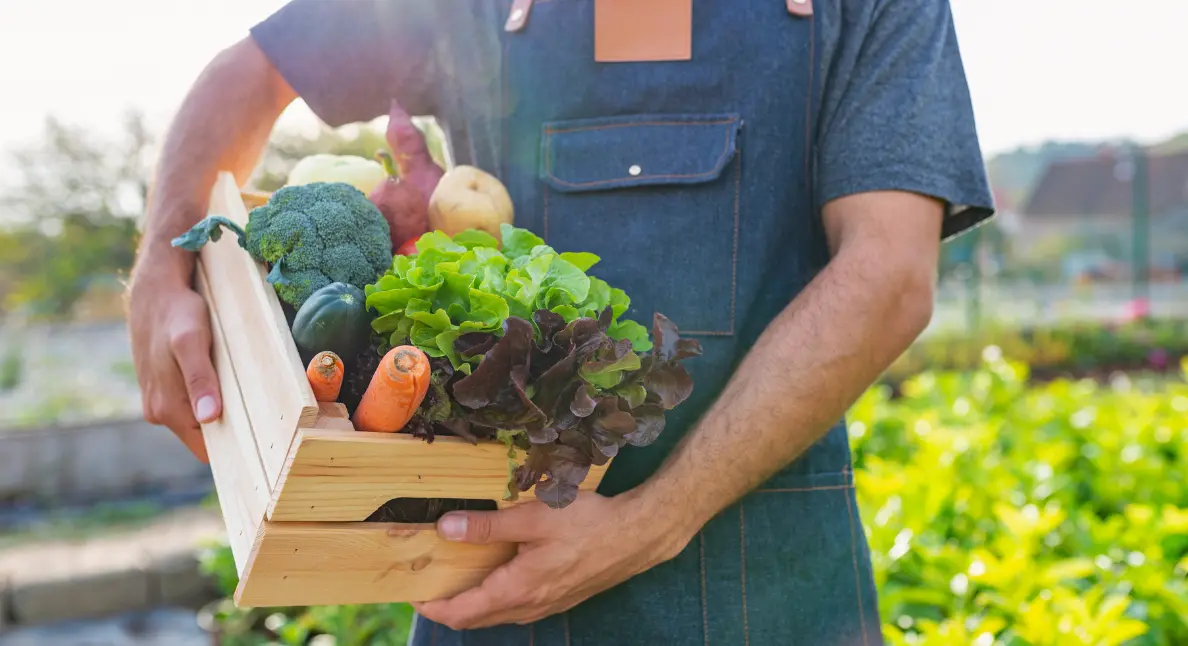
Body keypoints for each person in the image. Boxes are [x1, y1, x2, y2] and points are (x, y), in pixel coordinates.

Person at [127, 0, 994, 643]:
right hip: (490, 579)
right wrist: (161, 271)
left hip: (774, 589)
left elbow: (888, 274)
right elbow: (251, 73)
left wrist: (650, 523)